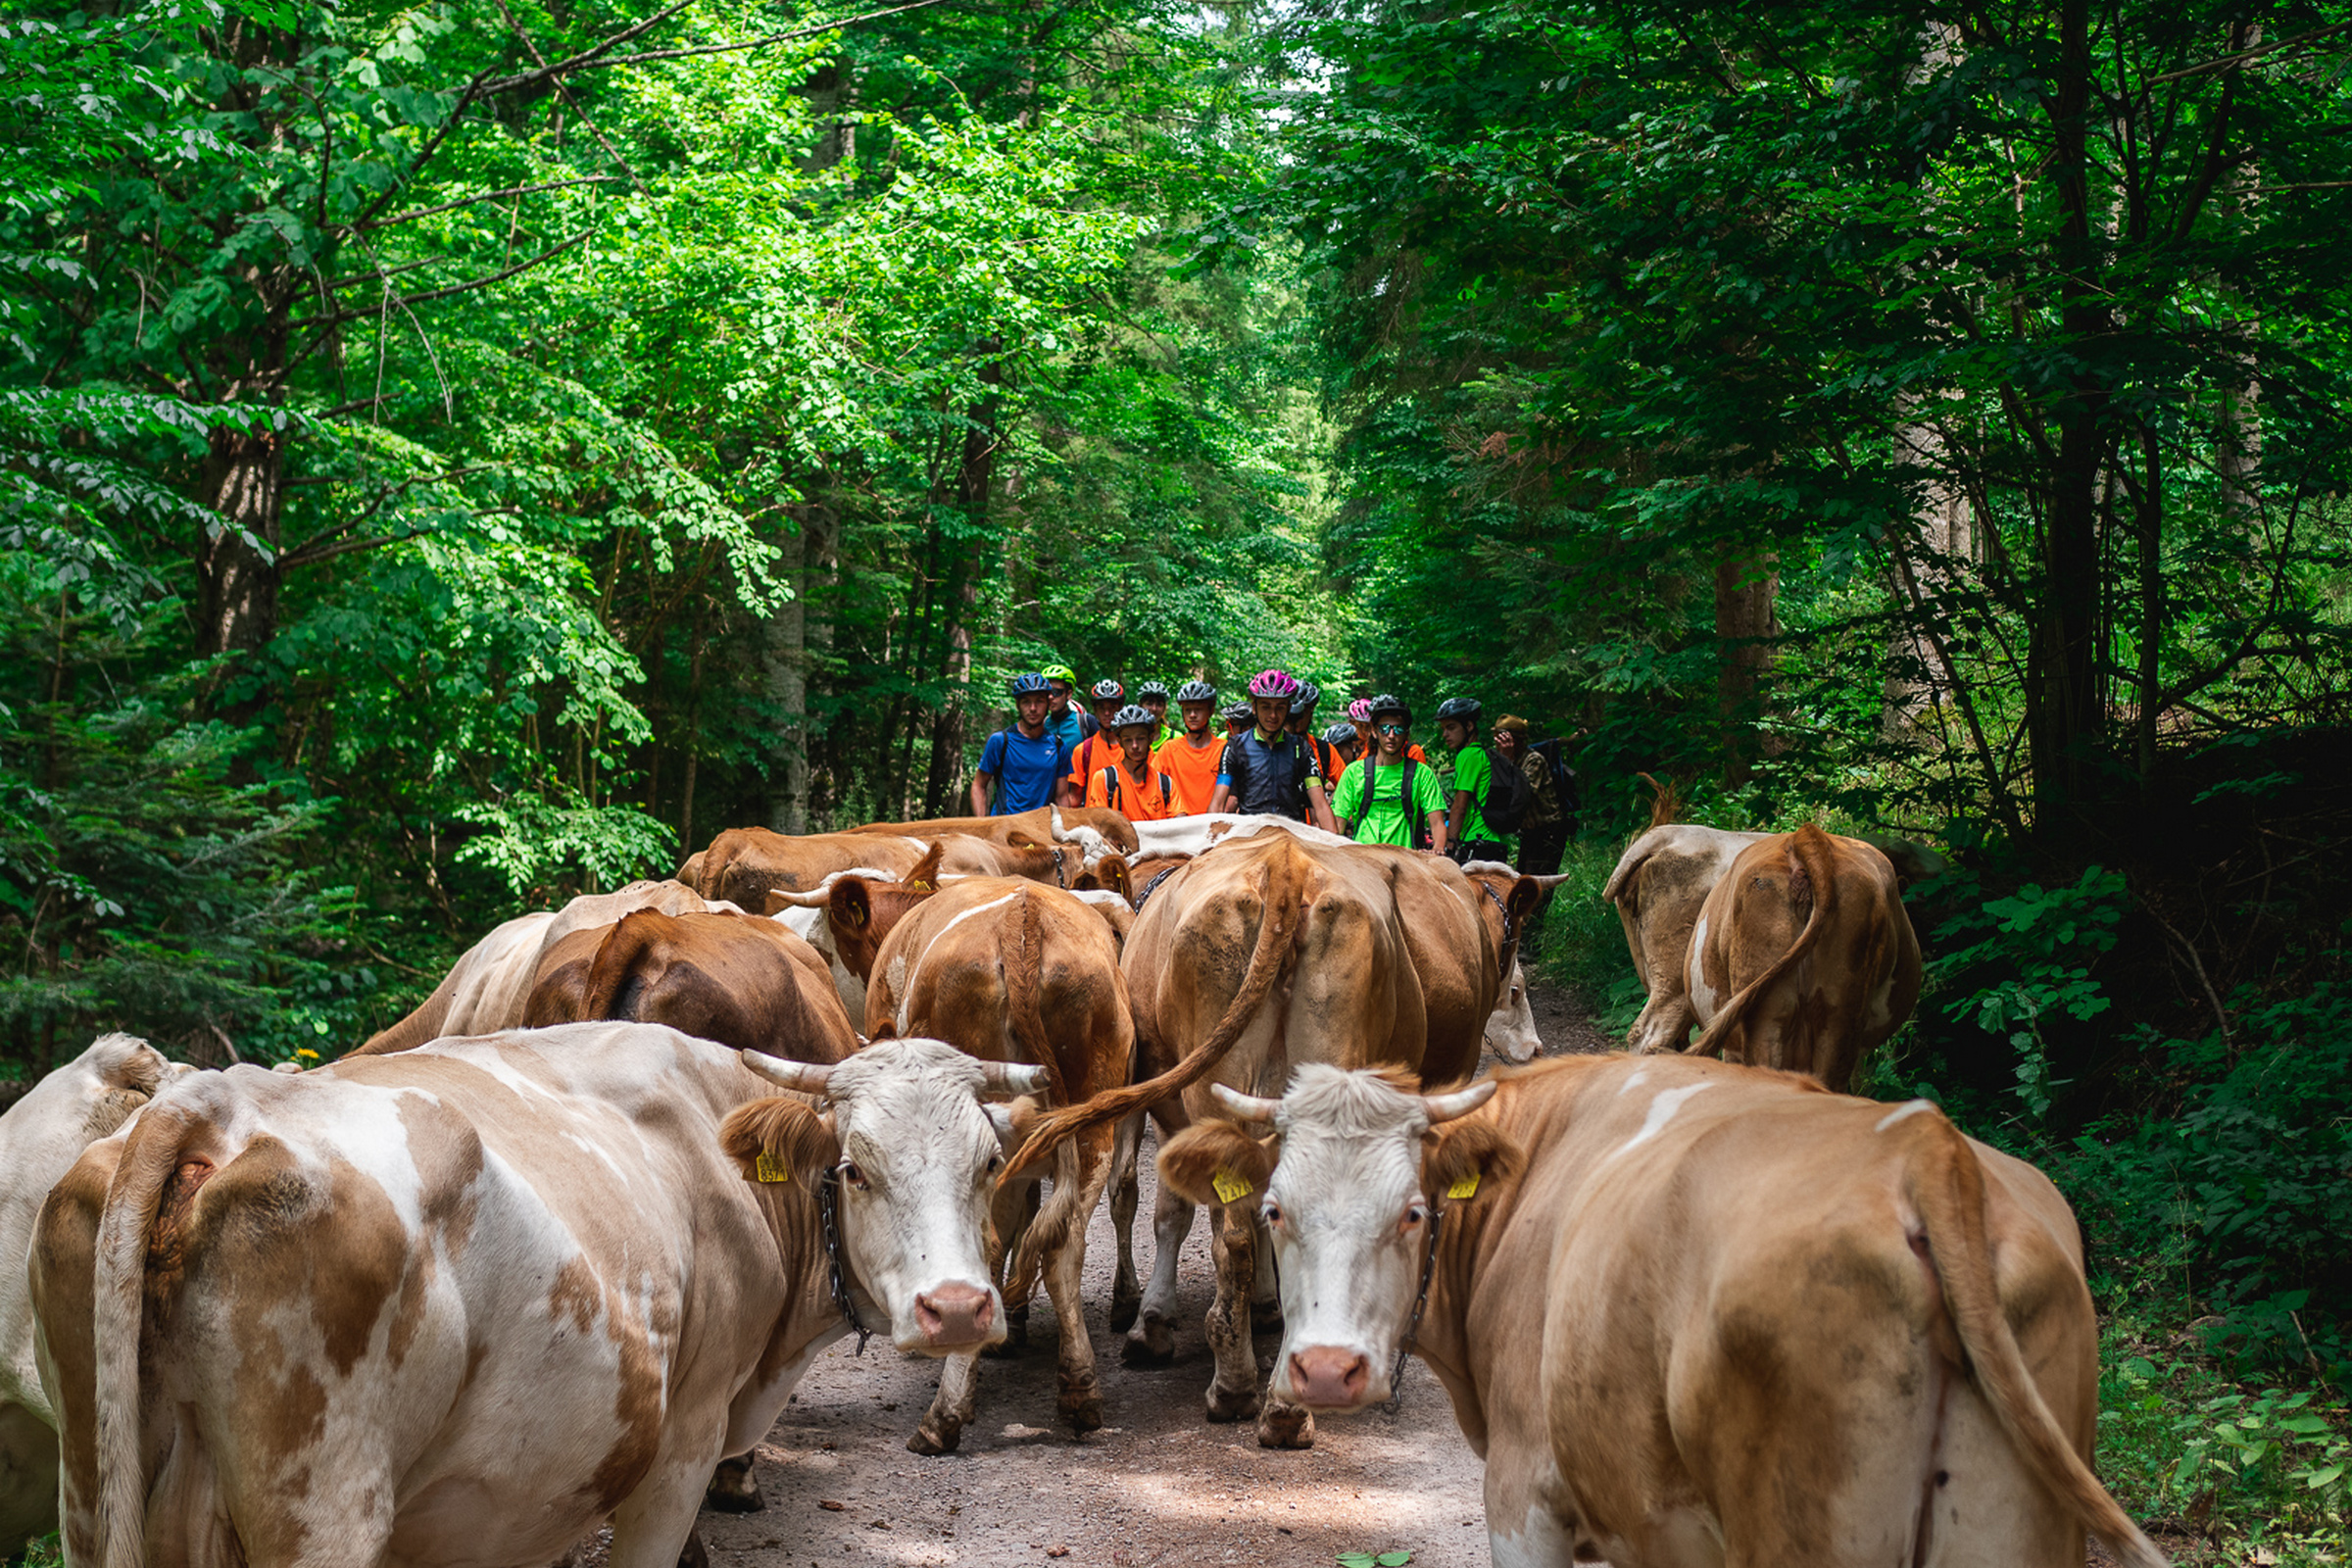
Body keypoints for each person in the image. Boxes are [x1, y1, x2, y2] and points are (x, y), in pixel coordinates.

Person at [1209, 670, 1337, 831]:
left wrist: (1338, 846)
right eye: (1265, 707)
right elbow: (1218, 803)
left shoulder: (1301, 748)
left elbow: (1320, 805)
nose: (1273, 715)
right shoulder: (1235, 747)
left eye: (1280, 707)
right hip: (1250, 835)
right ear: (1254, 708)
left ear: (1289, 708)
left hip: (1291, 836)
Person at [1330, 695, 1447, 853]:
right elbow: (1338, 821)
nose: (1391, 735)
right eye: (1384, 729)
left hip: (1405, 862)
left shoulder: (1421, 774)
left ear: (1406, 733)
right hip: (1364, 860)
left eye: (1398, 729)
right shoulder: (1353, 772)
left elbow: (1437, 821)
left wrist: (1438, 848)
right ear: (1373, 731)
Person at [971, 672, 1072, 816]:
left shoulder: (1058, 746)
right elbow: (979, 785)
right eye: (1026, 702)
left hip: (1041, 830)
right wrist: (981, 825)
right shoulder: (1001, 741)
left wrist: (1066, 831)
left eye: (1039, 701)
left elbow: (1061, 797)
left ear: (1048, 704)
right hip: (1004, 829)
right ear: (1018, 705)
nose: (1032, 708)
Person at [1437, 695, 1511, 863]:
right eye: (1443, 729)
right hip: (1495, 841)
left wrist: (1450, 845)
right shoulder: (1482, 755)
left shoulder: (1468, 755)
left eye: (1451, 728)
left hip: (1477, 841)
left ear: (1469, 726)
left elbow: (1460, 806)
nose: (1445, 734)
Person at [1494, 714, 1566, 875]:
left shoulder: (1534, 760)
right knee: (1523, 880)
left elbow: (1520, 795)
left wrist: (1507, 760)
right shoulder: (1509, 761)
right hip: (1529, 833)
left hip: (1548, 831)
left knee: (1537, 883)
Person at [1085, 705, 1181, 822]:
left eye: (1140, 738)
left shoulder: (1165, 784)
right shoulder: (1104, 780)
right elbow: (1098, 824)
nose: (1135, 746)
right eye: (1128, 740)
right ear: (1119, 742)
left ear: (1150, 738)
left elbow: (1180, 822)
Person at [1154, 679, 1223, 814]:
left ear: (1211, 711)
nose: (1192, 715)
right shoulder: (1169, 750)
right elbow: (1151, 786)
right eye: (1188, 710)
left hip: (1214, 825)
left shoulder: (1223, 749)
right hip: (1179, 826)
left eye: (1198, 709)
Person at [1063, 678, 1128, 805]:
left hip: (1130, 819)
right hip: (1094, 820)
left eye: (1112, 707)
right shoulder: (1083, 751)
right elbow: (1075, 797)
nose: (1107, 713)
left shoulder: (1133, 748)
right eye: (1101, 708)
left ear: (1120, 707)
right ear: (1094, 709)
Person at [1041, 663, 1087, 750]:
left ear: (1069, 694)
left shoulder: (1085, 722)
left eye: (1056, 692)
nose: (1051, 697)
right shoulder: (1042, 724)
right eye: (1047, 692)